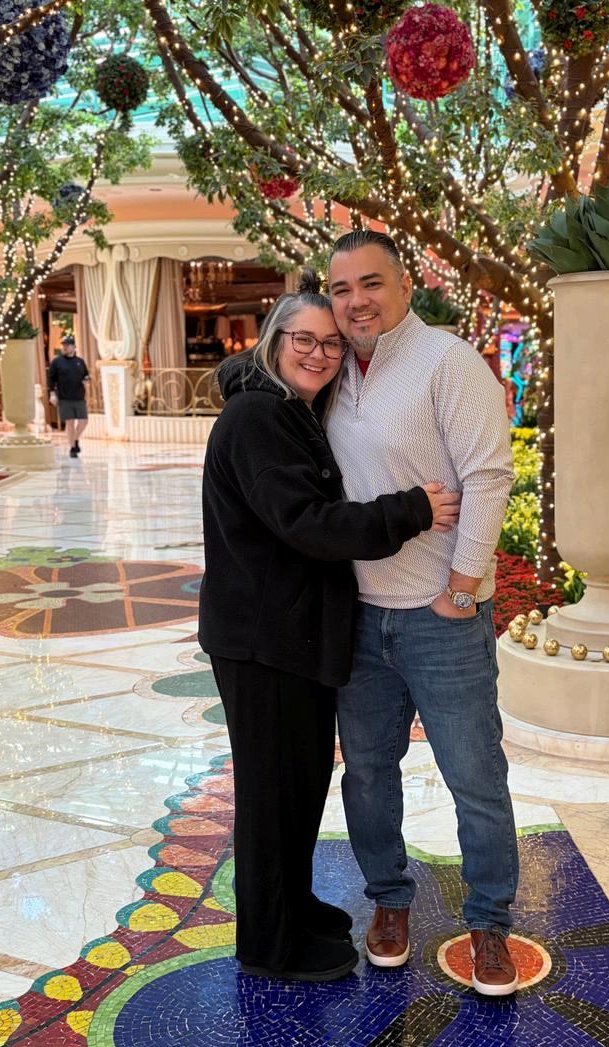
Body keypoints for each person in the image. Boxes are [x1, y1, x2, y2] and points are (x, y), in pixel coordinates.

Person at [198, 269, 461, 983]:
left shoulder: (289, 412)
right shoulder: (257, 418)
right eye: (303, 339)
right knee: (273, 792)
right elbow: (308, 523)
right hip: (263, 641)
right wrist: (410, 510)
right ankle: (269, 943)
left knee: (300, 781)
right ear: (274, 341)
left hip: (290, 634)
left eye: (331, 343)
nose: (318, 353)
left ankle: (291, 905)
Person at [326, 231, 520, 997]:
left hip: (442, 617)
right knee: (368, 774)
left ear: (405, 287)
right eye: (340, 289)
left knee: (474, 775)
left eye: (370, 283)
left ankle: (489, 920)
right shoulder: (330, 371)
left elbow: (488, 475)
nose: (355, 301)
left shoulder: (447, 360)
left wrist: (461, 588)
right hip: (359, 618)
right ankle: (388, 900)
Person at [47, 336, 90, 458]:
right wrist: (52, 394)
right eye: (64, 345)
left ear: (74, 347)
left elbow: (86, 375)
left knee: (84, 421)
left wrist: (87, 379)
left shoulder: (80, 362)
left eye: (67, 345)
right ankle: (72, 448)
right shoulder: (57, 362)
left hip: (79, 396)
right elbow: (51, 379)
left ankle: (75, 439)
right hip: (64, 397)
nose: (65, 347)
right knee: (70, 422)